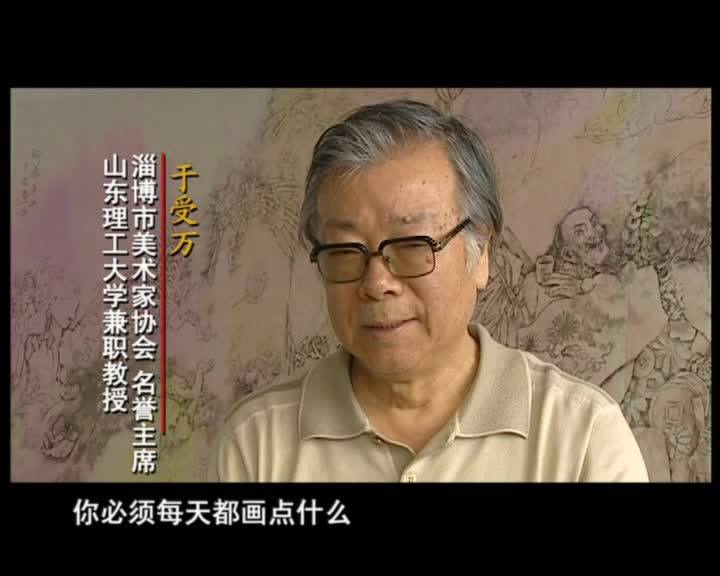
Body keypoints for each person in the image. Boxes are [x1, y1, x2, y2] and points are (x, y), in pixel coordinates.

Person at [210, 99, 649, 482]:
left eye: (412, 246)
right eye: (345, 250)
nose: (376, 284)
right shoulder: (256, 444)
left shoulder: (582, 436)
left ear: (481, 253)